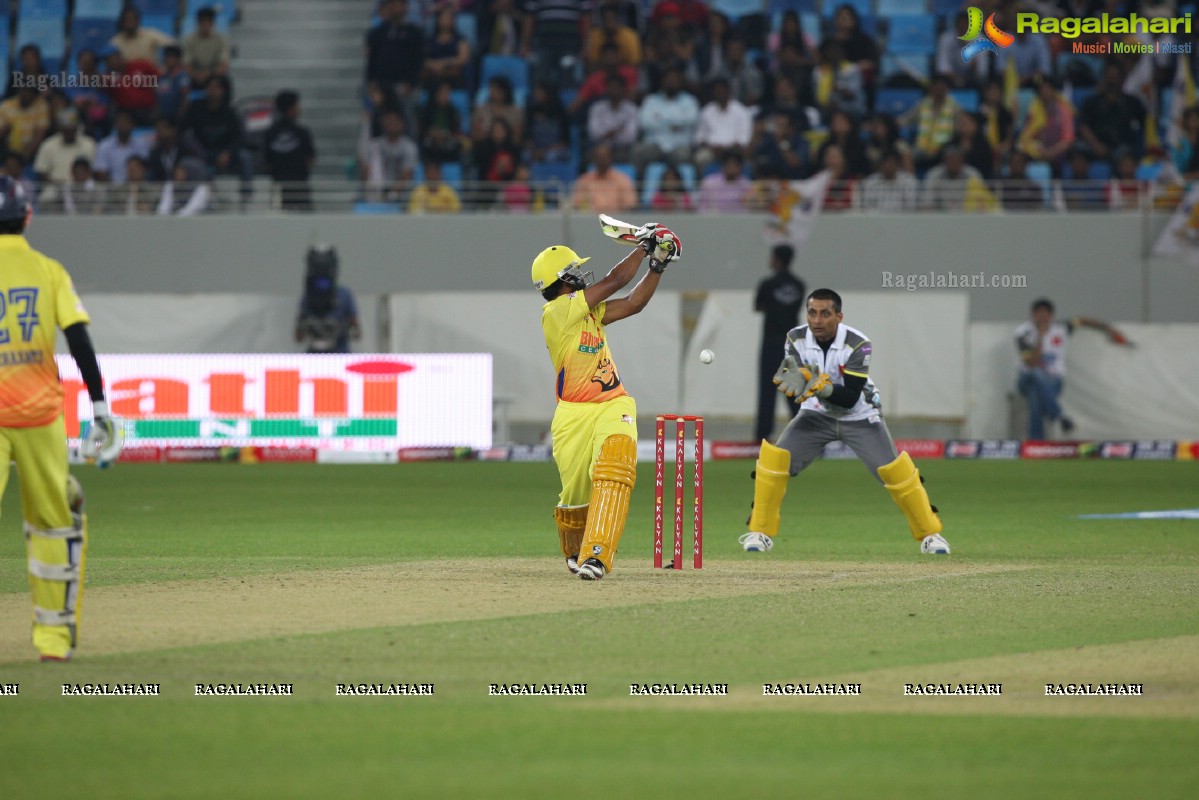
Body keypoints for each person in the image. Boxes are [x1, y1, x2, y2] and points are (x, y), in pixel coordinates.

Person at [0, 175, 122, 661]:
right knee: (53, 522)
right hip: (39, 415)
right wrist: (99, 406)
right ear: (28, 216)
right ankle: (52, 638)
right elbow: (78, 339)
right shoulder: (48, 270)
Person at [739, 288, 950, 556]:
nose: (817, 320)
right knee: (773, 462)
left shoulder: (859, 344)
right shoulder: (795, 337)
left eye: (825, 314)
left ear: (839, 316)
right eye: (812, 313)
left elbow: (850, 397)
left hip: (860, 417)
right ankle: (760, 531)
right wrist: (796, 385)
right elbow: (794, 380)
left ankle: (931, 535)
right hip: (815, 416)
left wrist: (819, 386)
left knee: (896, 473)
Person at [530, 222, 681, 579]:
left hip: (613, 403)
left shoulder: (588, 312)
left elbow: (633, 302)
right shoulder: (558, 312)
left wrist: (657, 263)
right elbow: (615, 281)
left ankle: (597, 555)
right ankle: (575, 549)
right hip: (572, 415)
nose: (582, 276)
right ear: (563, 280)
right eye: (576, 272)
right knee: (575, 494)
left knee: (615, 470)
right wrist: (644, 247)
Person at [1015, 298, 1128, 440]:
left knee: (1036, 396)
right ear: (1032, 315)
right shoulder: (1023, 333)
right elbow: (1031, 363)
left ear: (1051, 316)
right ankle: (1060, 416)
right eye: (1039, 313)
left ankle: (1036, 444)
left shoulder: (1060, 328)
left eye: (1046, 314)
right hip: (1026, 379)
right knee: (1036, 374)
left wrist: (1108, 328)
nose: (1042, 317)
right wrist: (1041, 337)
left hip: (1053, 381)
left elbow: (1082, 320)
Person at [753, 244, 805, 443]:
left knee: (767, 392)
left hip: (771, 343)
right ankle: (803, 433)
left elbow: (759, 306)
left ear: (778, 260)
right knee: (794, 391)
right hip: (792, 345)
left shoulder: (767, 284)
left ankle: (762, 437)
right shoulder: (799, 285)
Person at [295, 245, 361, 354]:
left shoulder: (307, 298)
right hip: (336, 357)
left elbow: (298, 336)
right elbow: (357, 332)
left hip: (328, 357)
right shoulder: (344, 295)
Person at [263, 90, 317, 211]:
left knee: (279, 220)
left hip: (278, 184)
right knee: (305, 221)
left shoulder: (270, 133)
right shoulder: (302, 132)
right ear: (292, 108)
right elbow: (311, 159)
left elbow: (267, 162)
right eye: (297, 106)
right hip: (300, 184)